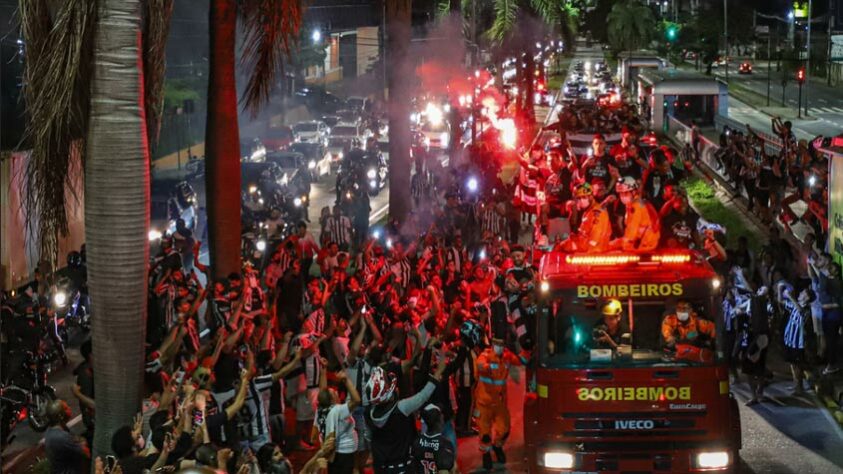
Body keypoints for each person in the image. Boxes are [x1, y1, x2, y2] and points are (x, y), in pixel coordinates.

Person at [364, 362, 447, 473]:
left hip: (382, 468)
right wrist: (438, 372)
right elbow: (423, 395)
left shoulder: (368, 413)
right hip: (404, 467)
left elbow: (368, 437)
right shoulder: (401, 408)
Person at [473, 335, 529, 471]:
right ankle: (486, 454)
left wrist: (527, 348)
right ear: (493, 345)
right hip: (484, 402)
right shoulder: (485, 355)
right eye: (498, 345)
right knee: (485, 434)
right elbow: (480, 365)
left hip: (499, 403)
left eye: (502, 345)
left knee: (505, 429)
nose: (500, 348)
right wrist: (489, 365)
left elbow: (521, 360)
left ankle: (497, 446)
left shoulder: (506, 356)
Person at [313, 369, 361, 474]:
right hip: (345, 454)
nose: (336, 391)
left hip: (333, 454)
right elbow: (357, 400)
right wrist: (346, 379)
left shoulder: (321, 409)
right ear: (332, 400)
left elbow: (323, 391)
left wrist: (323, 371)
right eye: (334, 392)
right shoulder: (338, 410)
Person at [781, 287, 817, 394]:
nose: (800, 293)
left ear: (807, 297)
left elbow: (800, 311)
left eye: (803, 292)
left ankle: (799, 387)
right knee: (792, 364)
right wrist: (780, 291)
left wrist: (790, 296)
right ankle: (796, 384)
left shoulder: (807, 309)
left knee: (798, 365)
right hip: (790, 340)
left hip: (798, 342)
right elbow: (781, 301)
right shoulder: (796, 305)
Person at [556, 183, 611, 253]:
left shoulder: (597, 212)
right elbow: (584, 234)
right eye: (578, 198)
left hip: (593, 251)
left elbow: (594, 241)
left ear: (591, 197)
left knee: (561, 247)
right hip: (584, 246)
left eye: (584, 197)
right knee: (560, 245)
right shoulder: (587, 211)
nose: (581, 201)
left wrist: (576, 248)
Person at [611, 176, 660, 251]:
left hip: (644, 243)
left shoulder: (636, 206)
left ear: (633, 192)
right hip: (643, 240)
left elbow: (633, 228)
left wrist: (624, 244)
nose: (623, 196)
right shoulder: (633, 203)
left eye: (626, 193)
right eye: (621, 194)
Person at [44, 399, 89, 474]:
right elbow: (85, 453)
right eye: (66, 408)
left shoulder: (52, 431)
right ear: (60, 416)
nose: (70, 408)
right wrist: (83, 443)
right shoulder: (62, 437)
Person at [410, 405, 456, 474]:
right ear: (440, 420)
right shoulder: (445, 444)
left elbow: (413, 467)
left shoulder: (417, 442)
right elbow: (452, 470)